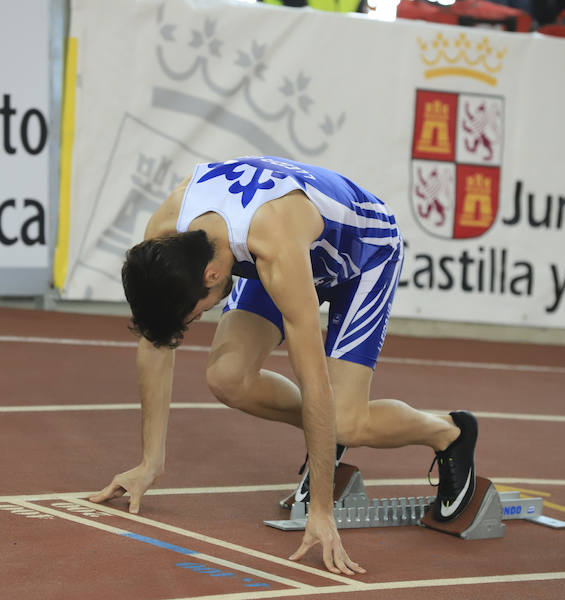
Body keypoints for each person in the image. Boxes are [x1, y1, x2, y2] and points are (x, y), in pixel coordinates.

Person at [89, 156, 478, 575]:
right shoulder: (164, 237)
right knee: (227, 377)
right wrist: (150, 463)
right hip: (283, 246)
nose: (193, 321)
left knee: (345, 420)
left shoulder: (272, 246)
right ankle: (324, 437)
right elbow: (156, 342)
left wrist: (323, 513)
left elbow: (314, 382)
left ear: (212, 274)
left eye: (195, 314)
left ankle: (450, 433)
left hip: (363, 255)